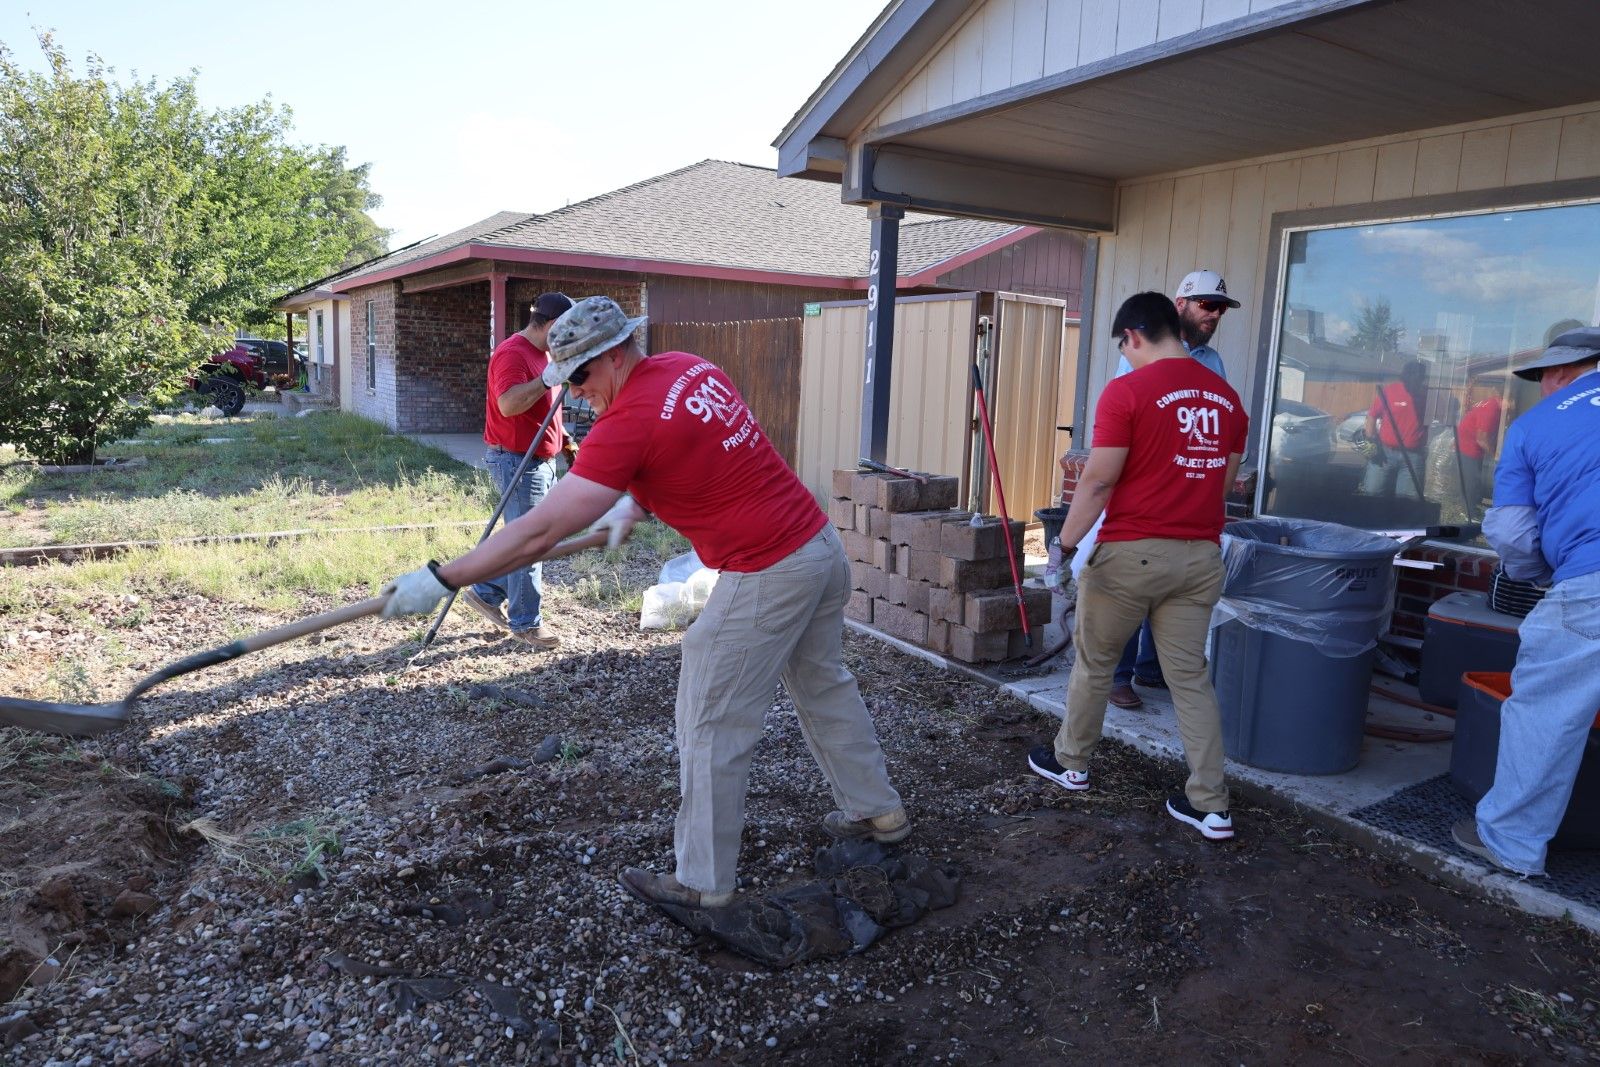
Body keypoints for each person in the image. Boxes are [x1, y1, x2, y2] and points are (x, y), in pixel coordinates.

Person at [379, 295, 908, 907]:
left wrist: (440, 579)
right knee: (825, 686)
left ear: (608, 357)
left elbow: (538, 531)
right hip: (817, 548)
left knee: (710, 722)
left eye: (576, 379)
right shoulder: (689, 368)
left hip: (767, 570)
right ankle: (879, 814)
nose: (574, 396)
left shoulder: (626, 421)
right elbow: (697, 451)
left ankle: (703, 885)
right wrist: (633, 502)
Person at [1030, 291, 1248, 840]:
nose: (1123, 355)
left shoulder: (1126, 392)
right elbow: (1223, 485)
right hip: (1200, 556)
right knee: (1190, 679)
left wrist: (1065, 546)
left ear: (1132, 336)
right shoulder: (1226, 398)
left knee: (1096, 660)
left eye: (1122, 346)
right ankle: (1211, 803)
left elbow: (1099, 480)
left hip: (1131, 553)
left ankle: (1071, 762)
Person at [1453, 327, 1600, 877]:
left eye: (1542, 378)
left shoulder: (1536, 425)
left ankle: (1510, 843)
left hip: (1591, 581)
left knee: (1544, 712)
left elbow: (1513, 533)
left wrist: (1540, 577)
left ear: (1560, 373)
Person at [1106, 269, 1238, 710]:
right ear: (1180, 304)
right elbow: (1127, 420)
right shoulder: (1139, 351)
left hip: (1187, 490)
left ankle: (1150, 667)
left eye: (1220, 308)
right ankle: (1118, 676)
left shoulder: (1213, 362)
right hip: (1146, 488)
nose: (1214, 314)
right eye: (1206, 305)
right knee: (1132, 584)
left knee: (1166, 587)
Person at [458, 292, 573, 649]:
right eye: (568, 329)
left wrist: (565, 441)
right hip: (518, 461)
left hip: (541, 458)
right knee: (529, 544)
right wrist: (545, 379)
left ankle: (487, 593)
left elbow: (544, 408)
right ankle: (526, 623)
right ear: (553, 325)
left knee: (537, 538)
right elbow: (508, 405)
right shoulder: (513, 353)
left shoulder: (543, 354)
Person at [1359, 360, 1429, 498]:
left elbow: (1443, 416)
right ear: (1406, 377)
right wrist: (1370, 440)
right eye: (1413, 377)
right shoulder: (1390, 391)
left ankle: (1398, 519)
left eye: (1420, 378)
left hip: (1413, 456)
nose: (1416, 381)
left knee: (1407, 499)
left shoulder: (1427, 395)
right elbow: (1372, 416)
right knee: (1372, 492)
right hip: (1384, 452)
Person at [1455, 377, 1504, 508]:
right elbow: (1481, 439)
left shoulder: (1487, 403)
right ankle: (1467, 516)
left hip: (1464, 448)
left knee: (1470, 485)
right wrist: (1496, 456)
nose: (1512, 405)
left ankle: (1468, 509)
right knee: (1471, 486)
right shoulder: (1492, 408)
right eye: (1511, 402)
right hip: (1469, 451)